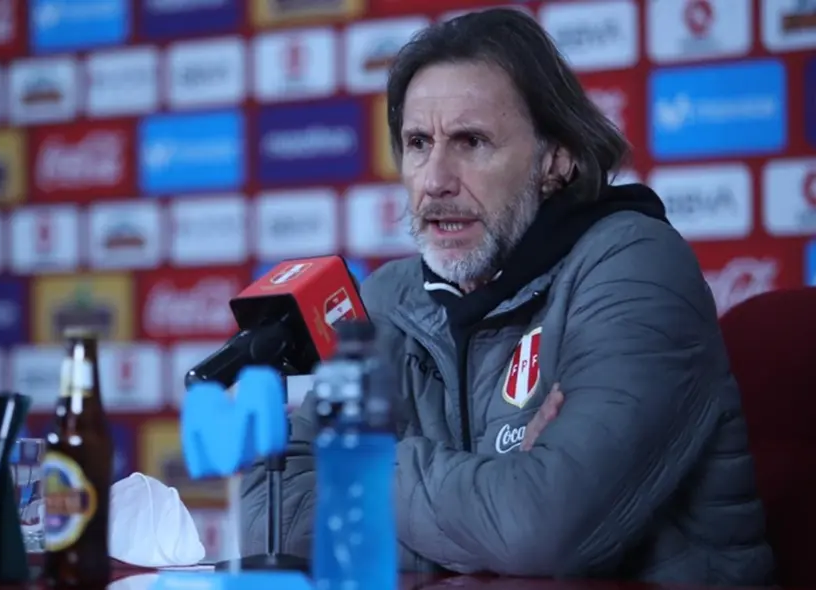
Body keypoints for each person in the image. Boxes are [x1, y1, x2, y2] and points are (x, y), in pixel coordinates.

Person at [240, 8, 773, 585]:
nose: (436, 179)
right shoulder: (390, 298)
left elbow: (544, 530)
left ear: (556, 158)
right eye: (418, 143)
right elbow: (269, 520)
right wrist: (494, 497)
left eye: (471, 141)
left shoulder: (637, 268)